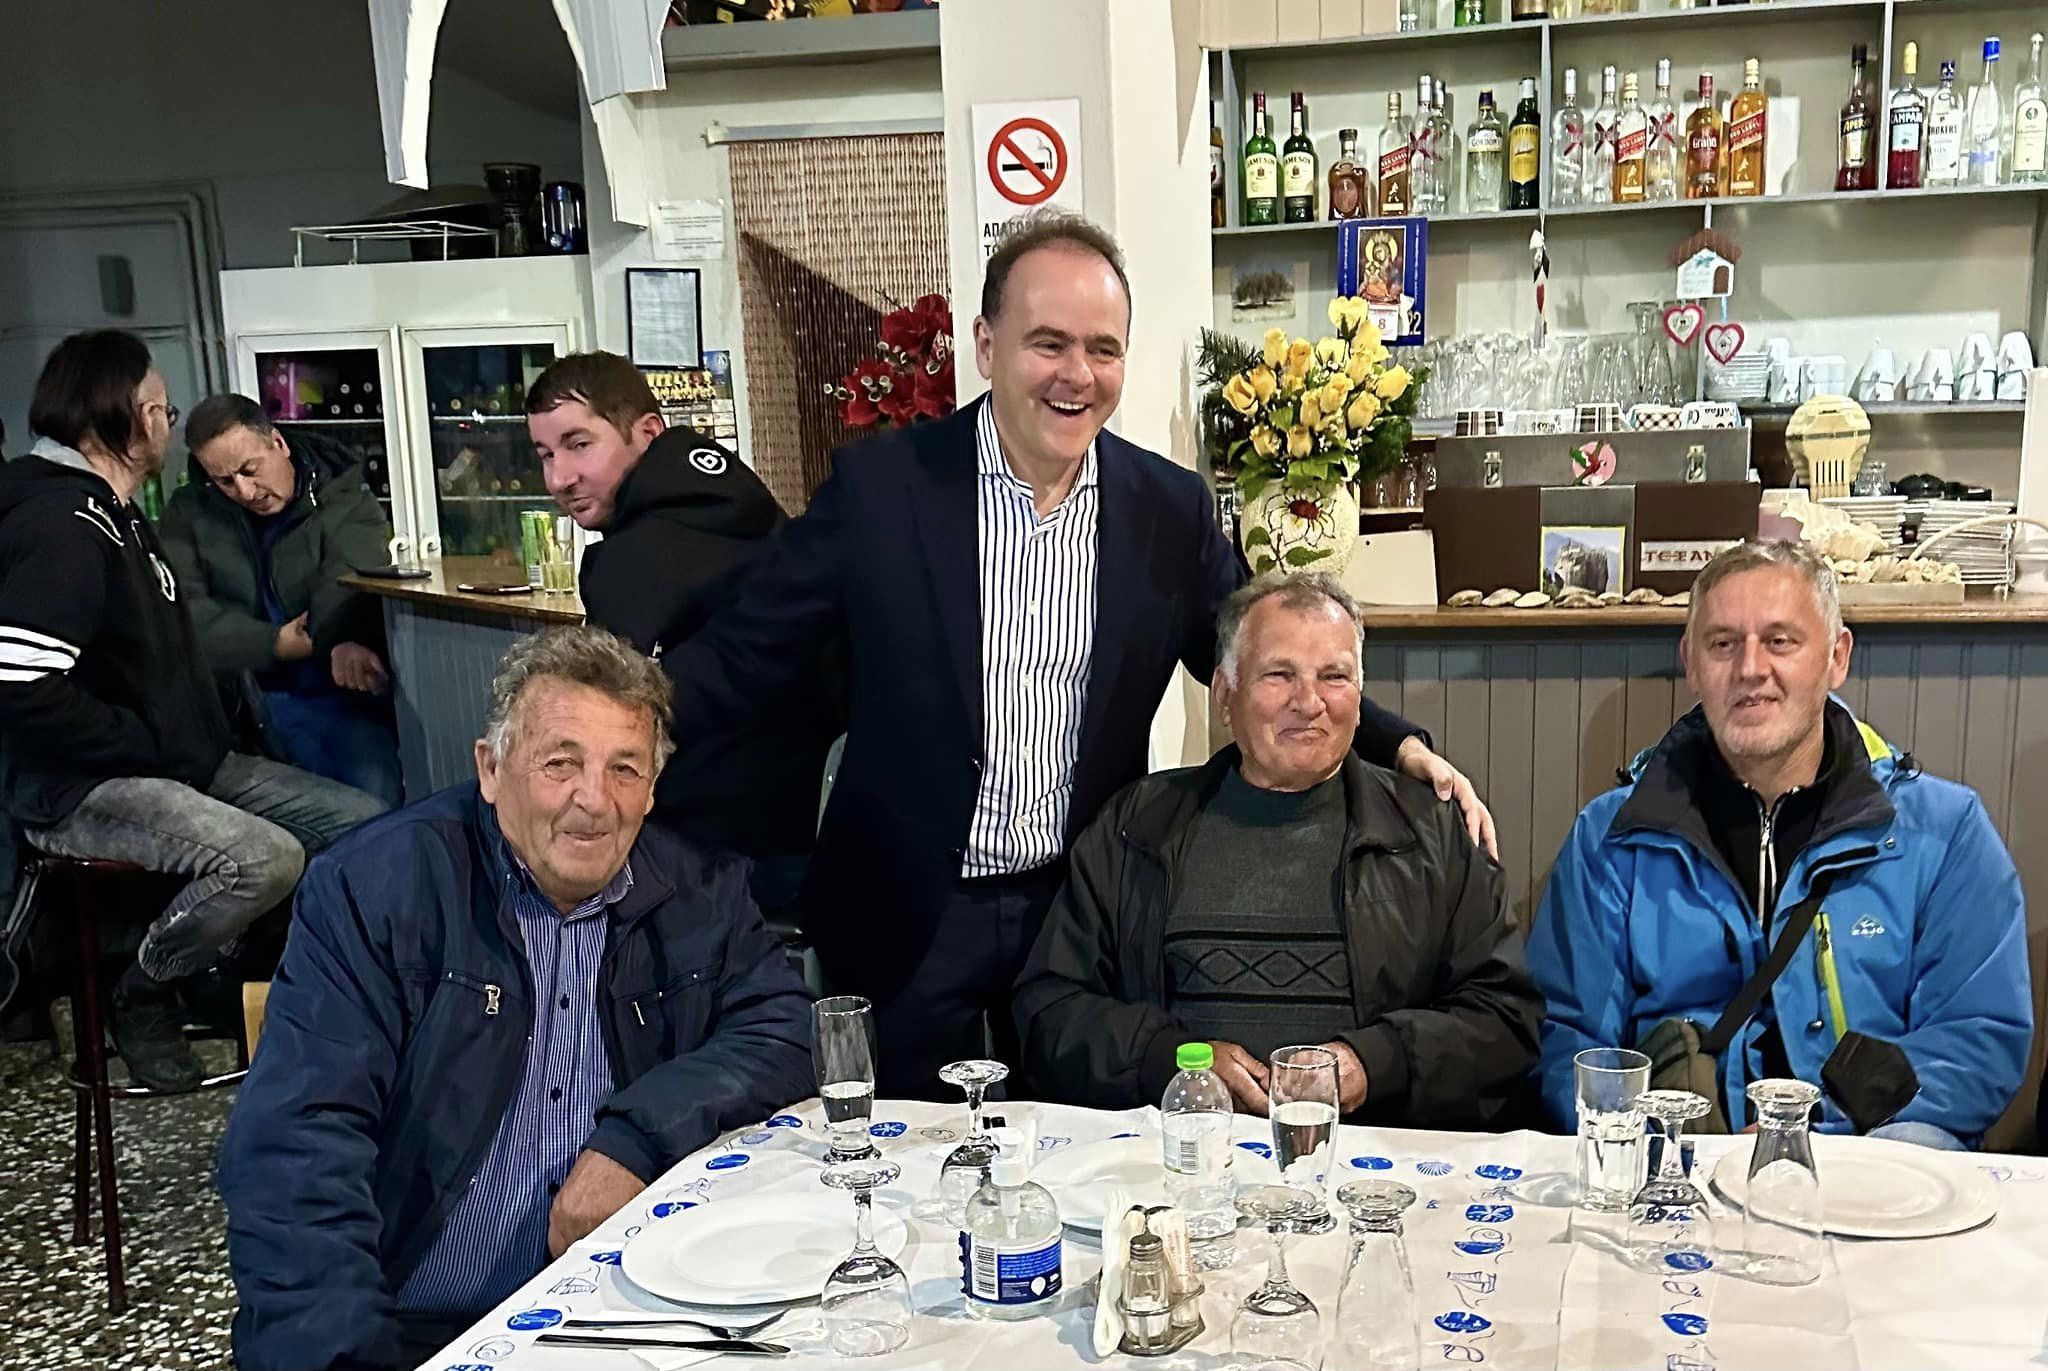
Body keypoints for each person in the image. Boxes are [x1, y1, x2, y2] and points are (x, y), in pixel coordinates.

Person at [661, 210, 1493, 1096]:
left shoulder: (1166, 511)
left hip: (1080, 917)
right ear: (986, 345)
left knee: (1081, 1151)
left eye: (1103, 349)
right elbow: (744, 653)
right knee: (915, 1155)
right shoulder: (882, 490)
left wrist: (1399, 744)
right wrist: (627, 740)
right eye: (1048, 343)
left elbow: (1261, 654)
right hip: (906, 917)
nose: (1077, 375)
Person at [218, 625, 814, 1371]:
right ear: (491, 768)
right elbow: (295, 1158)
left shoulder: (700, 891)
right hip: (411, 1328)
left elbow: (787, 1029)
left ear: (653, 789)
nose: (594, 800)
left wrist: (637, 1137)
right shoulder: (375, 889)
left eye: (624, 769)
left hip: (617, 1313)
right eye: (560, 762)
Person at [1530, 540, 2031, 1148]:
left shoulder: (1945, 833)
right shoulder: (1611, 837)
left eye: (1780, 641)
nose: (1750, 668)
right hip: (1675, 1160)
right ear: (1691, 662)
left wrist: (1805, 1129)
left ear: (1836, 657)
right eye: (1723, 644)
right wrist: (1654, 1141)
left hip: (1869, 1157)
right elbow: (1570, 1040)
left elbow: (1976, 1039)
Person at [1014, 574, 1541, 1127]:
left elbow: (1506, 1022)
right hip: (1184, 1152)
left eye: (1333, 676)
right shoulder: (1136, 828)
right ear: (1224, 695)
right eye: (1279, 675)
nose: (1308, 703)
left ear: (1360, 700)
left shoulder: (1432, 835)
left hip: (1373, 1159)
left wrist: (1375, 1063)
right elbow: (1049, 1011)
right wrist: (1171, 1062)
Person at [0, 331, 383, 1092]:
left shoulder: (115, 511)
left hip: (178, 758)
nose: (166, 424)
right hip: (86, 784)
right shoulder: (63, 524)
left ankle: (267, 986)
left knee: (367, 823)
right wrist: (135, 739)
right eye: (164, 409)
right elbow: (18, 682)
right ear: (139, 416)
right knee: (265, 859)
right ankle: (148, 987)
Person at [525, 351, 839, 912]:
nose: (559, 479)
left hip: (714, 864)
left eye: (579, 444)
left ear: (647, 432)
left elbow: (611, 732)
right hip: (818, 834)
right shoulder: (749, 508)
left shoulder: (632, 562)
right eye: (545, 455)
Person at [161, 393, 403, 807]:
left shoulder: (344, 497)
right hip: (235, 709)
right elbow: (182, 617)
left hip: (335, 698)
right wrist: (276, 643)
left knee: (375, 808)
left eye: (249, 470)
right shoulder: (189, 512)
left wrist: (337, 639)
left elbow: (347, 582)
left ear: (278, 443)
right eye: (224, 481)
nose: (244, 491)